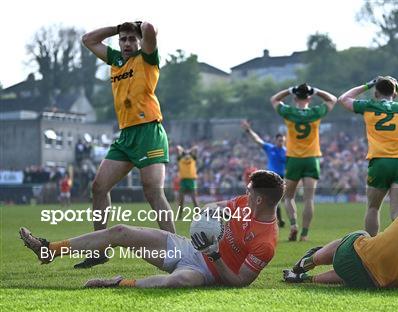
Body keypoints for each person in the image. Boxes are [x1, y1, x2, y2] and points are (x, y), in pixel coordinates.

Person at [19, 170, 285, 288]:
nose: (244, 193)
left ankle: (117, 283)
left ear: (260, 199)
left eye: (249, 192)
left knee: (178, 282)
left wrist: (214, 255)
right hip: (187, 248)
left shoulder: (266, 243)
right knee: (120, 231)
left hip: (203, 271)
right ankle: (50, 250)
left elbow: (239, 282)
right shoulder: (243, 203)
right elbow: (214, 204)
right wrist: (212, 211)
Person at [79, 21, 175, 268]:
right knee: (99, 187)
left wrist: (142, 26)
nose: (127, 44)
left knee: (153, 191)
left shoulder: (147, 58)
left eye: (132, 39)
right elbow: (88, 39)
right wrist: (117, 28)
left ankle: (177, 248)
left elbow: (152, 30)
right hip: (126, 137)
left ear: (139, 41)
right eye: (124, 39)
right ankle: (100, 248)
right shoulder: (115, 60)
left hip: (149, 132)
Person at [338, 76, 398, 236]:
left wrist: (369, 83)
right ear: (394, 94)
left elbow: (343, 99)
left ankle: (372, 248)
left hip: (380, 162)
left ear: (376, 93)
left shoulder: (369, 106)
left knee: (373, 208)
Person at [270, 83, 337, 241]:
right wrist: (317, 90)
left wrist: (288, 90)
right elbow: (332, 99)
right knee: (309, 199)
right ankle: (305, 235)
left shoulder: (289, 112)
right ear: (309, 97)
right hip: (311, 158)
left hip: (294, 158)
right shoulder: (315, 112)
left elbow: (274, 99)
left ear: (295, 97)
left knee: (289, 197)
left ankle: (293, 224)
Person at [241, 120, 287, 227]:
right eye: (280, 140)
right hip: (269, 177)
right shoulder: (270, 148)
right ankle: (274, 219)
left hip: (280, 178)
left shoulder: (286, 152)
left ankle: (275, 219)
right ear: (276, 140)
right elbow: (257, 140)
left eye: (282, 141)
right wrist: (248, 130)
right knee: (267, 198)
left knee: (275, 199)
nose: (281, 142)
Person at [176, 145, 199, 219]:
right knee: (181, 199)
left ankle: (198, 214)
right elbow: (178, 148)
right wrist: (183, 151)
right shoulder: (180, 158)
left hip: (191, 180)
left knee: (194, 199)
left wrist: (188, 151)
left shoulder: (193, 157)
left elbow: (195, 148)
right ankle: (180, 215)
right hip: (183, 180)